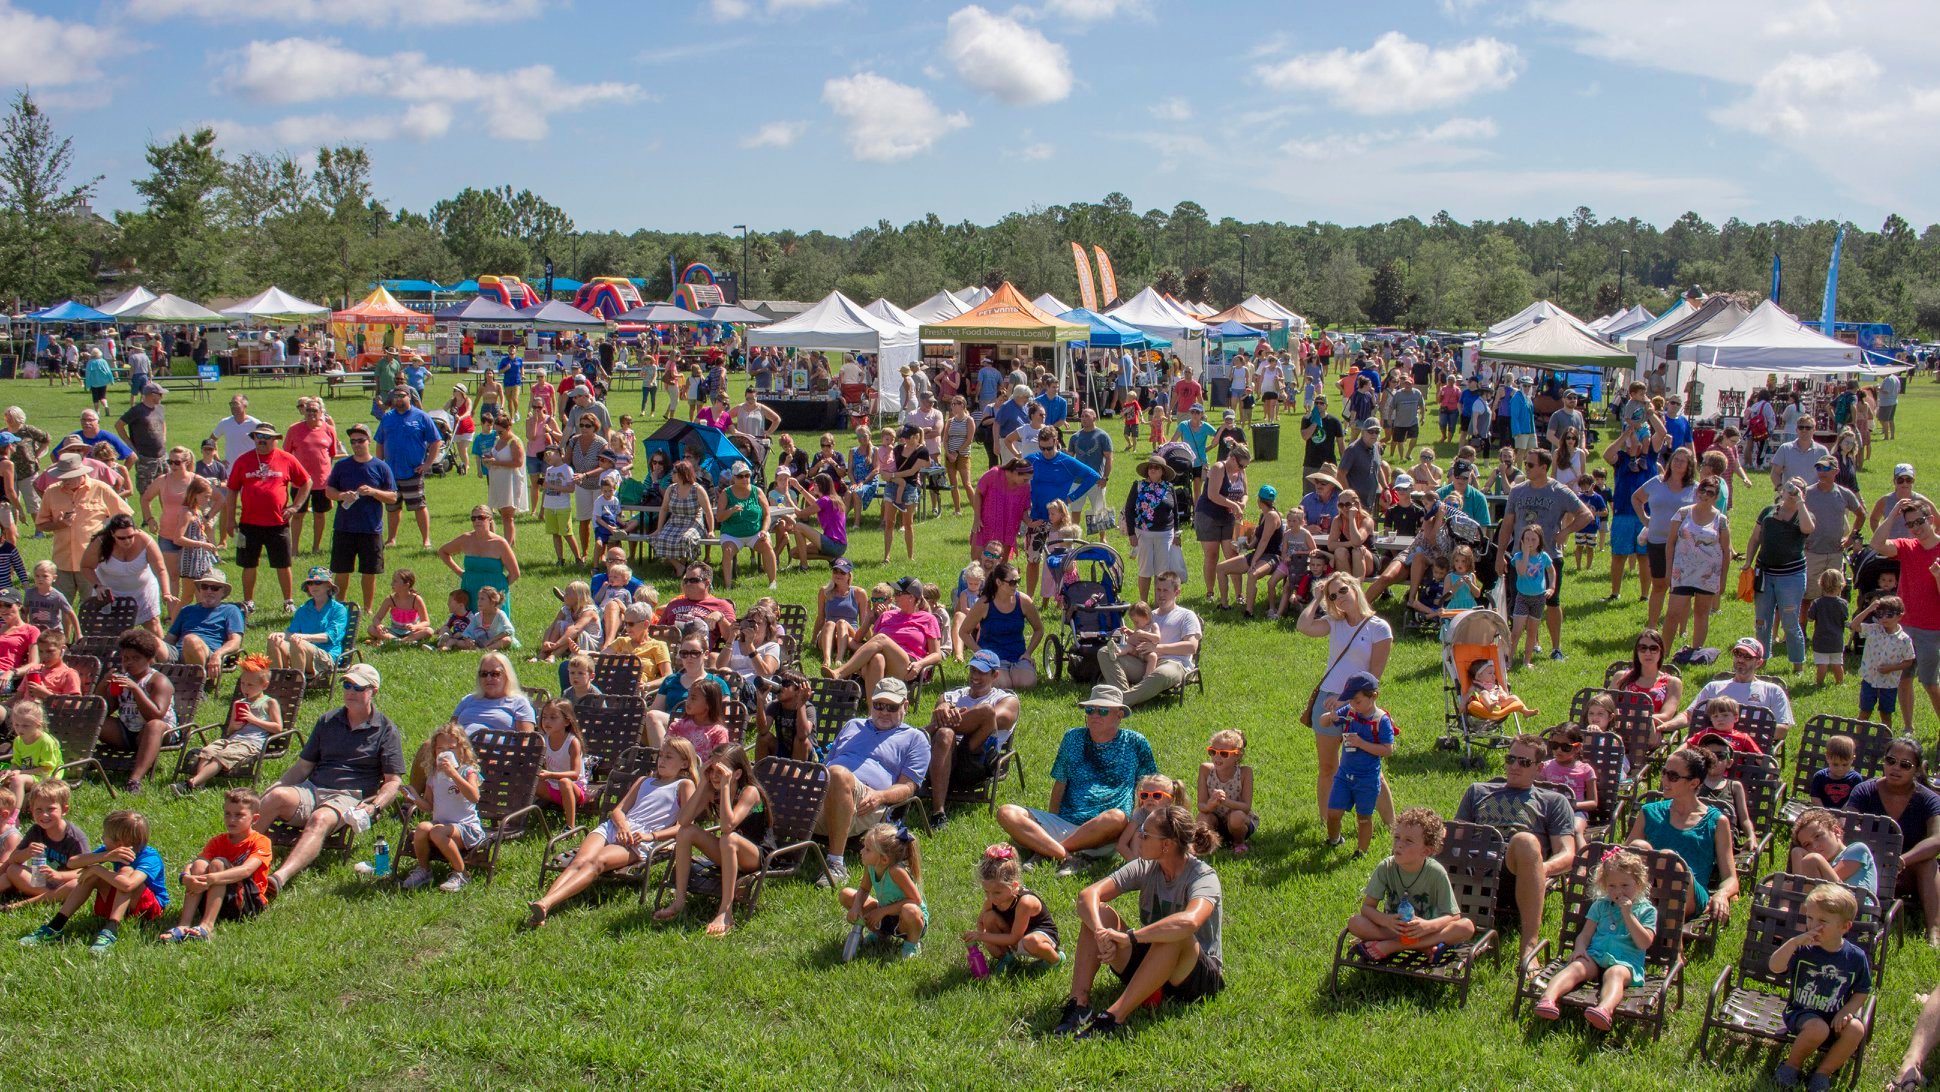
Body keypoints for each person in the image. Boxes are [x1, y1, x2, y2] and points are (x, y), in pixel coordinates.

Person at [1053, 805, 1224, 1040]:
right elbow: (1088, 895)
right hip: (1153, 962)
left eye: (1145, 834)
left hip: (1195, 976)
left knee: (1174, 931)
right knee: (1097, 914)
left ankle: (1114, 1017)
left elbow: (1190, 922)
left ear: (1167, 844)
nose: (1138, 837)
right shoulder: (1145, 865)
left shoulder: (1203, 876)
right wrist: (1101, 932)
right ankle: (1079, 1004)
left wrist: (1131, 937)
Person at [253, 663, 405, 895]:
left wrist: (374, 806)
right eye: (346, 685)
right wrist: (276, 787)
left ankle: (278, 878)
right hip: (313, 787)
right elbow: (304, 766)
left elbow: (393, 781)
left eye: (357, 687)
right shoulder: (328, 720)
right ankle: (240, 859)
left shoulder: (385, 730)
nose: (350, 691)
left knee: (320, 818)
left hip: (348, 796)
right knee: (275, 797)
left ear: (373, 691)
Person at [524, 739, 698, 929]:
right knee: (579, 861)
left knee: (596, 862)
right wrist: (622, 826)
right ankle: (545, 903)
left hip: (639, 839)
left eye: (669, 757)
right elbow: (618, 810)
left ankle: (547, 903)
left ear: (684, 763)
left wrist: (652, 836)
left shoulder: (684, 785)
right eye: (661, 756)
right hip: (615, 827)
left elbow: (684, 826)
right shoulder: (644, 780)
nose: (661, 761)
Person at [994, 683, 1154, 877]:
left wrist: (1137, 833)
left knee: (1117, 817)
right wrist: (1052, 819)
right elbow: (1060, 784)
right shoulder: (1072, 738)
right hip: (1065, 821)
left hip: (1104, 831)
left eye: (1103, 710)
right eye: (1090, 709)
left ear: (1119, 715)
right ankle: (1066, 856)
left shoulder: (1136, 742)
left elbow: (1147, 789)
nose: (1094, 714)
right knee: (1006, 812)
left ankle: (1046, 850)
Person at [1454, 733, 1579, 962]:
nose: (1514, 766)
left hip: (1514, 873)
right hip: (1471, 869)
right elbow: (1455, 836)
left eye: (1524, 762)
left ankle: (1529, 947)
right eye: (1510, 759)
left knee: (1524, 841)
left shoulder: (1553, 801)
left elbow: (1568, 854)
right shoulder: (1477, 791)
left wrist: (1539, 870)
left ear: (1539, 768)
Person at [1296, 572, 1394, 823]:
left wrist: (1347, 700)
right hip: (1327, 700)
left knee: (1369, 768)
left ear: (1354, 589)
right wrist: (1317, 598)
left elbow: (1374, 676)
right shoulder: (1334, 622)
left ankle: (1390, 824)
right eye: (1333, 596)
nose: (1339, 598)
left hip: (1359, 705)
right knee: (1328, 768)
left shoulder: (1379, 628)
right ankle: (1327, 822)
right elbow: (1304, 626)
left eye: (1342, 591)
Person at [814, 677, 930, 886]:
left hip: (865, 803)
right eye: (879, 705)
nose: (884, 712)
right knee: (776, 770)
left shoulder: (915, 738)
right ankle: (763, 850)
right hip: (822, 791)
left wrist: (880, 796)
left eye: (891, 707)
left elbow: (908, 787)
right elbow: (826, 765)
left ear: (905, 705)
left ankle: (836, 863)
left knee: (839, 775)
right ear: (871, 703)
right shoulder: (853, 725)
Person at [1529, 847, 1657, 1031]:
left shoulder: (1646, 911)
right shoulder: (1601, 906)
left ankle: (1604, 1010)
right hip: (1596, 955)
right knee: (1577, 966)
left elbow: (1644, 943)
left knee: (1615, 974)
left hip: (1626, 963)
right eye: (1612, 886)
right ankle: (1548, 999)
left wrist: (1628, 915)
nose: (1618, 891)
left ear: (1639, 883)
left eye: (1625, 885)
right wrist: (1580, 949)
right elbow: (1585, 934)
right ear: (1604, 886)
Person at [654, 742, 770, 937]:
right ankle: (679, 901)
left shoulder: (750, 792)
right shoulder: (711, 789)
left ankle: (726, 912)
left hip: (756, 856)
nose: (715, 776)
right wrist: (702, 782)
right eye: (712, 769)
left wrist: (725, 787)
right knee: (685, 832)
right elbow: (683, 821)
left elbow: (727, 826)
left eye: (720, 771)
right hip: (728, 850)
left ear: (738, 774)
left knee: (728, 838)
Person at [15, 808, 167, 955]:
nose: (102, 838)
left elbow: (129, 885)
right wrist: (104, 857)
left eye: (104, 835)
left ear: (119, 843)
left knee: (125, 873)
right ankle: (55, 926)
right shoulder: (111, 851)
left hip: (148, 910)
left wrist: (98, 869)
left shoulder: (150, 857)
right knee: (93, 875)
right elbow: (72, 863)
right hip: (122, 903)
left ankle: (110, 930)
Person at [1768, 883, 1871, 1090]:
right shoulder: (1803, 948)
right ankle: (1792, 1065)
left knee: (1856, 1029)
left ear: (1845, 927)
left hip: (1836, 1016)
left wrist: (1847, 1011)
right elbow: (1775, 967)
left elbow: (1862, 991)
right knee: (1818, 1029)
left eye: (1822, 921)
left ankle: (1823, 1072)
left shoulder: (1855, 957)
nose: (1813, 925)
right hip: (1801, 1013)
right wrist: (1793, 943)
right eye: (1809, 918)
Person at [1496, 448, 1592, 662]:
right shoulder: (1517, 491)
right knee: (1522, 600)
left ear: (1543, 467)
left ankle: (1556, 647)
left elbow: (1586, 514)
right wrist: (1500, 553)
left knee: (1552, 601)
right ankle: (1534, 643)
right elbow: (1507, 525)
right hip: (1520, 558)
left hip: (1548, 557)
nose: (1526, 468)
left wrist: (1565, 532)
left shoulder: (1558, 491)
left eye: (1530, 464)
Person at [1627, 746, 1739, 925]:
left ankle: (1670, 937)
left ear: (1694, 783)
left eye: (1673, 776)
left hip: (1690, 894)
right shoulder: (1649, 812)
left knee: (1669, 859)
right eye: (1664, 773)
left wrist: (1722, 894)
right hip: (1648, 888)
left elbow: (1730, 877)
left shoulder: (1717, 821)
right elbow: (1625, 859)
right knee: (1639, 846)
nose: (1664, 780)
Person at [1845, 737, 1940, 942]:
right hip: (1871, 865)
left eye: (1905, 765)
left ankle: (1935, 929)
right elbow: (1847, 824)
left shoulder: (1928, 799)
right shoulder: (1865, 790)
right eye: (1891, 761)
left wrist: (1903, 859)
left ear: (1916, 770)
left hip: (1909, 869)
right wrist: (1880, 856)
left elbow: (1937, 839)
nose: (1896, 768)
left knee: (1929, 864)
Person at [159, 788, 272, 943]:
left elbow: (246, 870)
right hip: (217, 900)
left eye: (239, 815)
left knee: (218, 863)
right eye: (227, 813)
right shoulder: (218, 841)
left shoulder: (260, 841)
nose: (231, 819)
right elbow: (194, 864)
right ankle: (183, 925)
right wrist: (186, 878)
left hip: (247, 904)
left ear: (255, 818)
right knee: (199, 865)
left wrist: (212, 878)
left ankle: (207, 926)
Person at [924, 649, 1021, 828]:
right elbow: (936, 738)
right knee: (945, 733)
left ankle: (923, 731)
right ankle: (938, 813)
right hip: (941, 761)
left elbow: (993, 718)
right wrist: (945, 709)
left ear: (995, 675)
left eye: (982, 672)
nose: (975, 676)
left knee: (986, 711)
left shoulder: (1007, 700)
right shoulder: (949, 697)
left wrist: (946, 718)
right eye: (973, 670)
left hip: (976, 762)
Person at [224, 424, 310, 617]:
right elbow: (232, 490)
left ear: (275, 439)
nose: (262, 440)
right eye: (258, 436)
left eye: (267, 437)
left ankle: (288, 601)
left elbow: (306, 482)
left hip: (278, 524)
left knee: (283, 563)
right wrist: (230, 519)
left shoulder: (286, 459)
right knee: (248, 564)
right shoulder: (243, 460)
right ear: (253, 438)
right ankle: (248, 602)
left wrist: (295, 507)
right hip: (248, 523)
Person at [174, 653, 281, 796]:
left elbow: (278, 728)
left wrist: (252, 719)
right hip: (232, 739)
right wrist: (234, 726)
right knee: (207, 751)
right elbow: (230, 730)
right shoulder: (239, 703)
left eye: (250, 685)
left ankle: (191, 783)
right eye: (243, 683)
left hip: (251, 743)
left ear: (264, 685)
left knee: (222, 756)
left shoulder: (269, 703)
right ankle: (200, 785)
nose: (245, 688)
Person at [1095, 570, 1200, 709]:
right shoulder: (1149, 615)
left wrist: (1156, 648)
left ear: (1177, 592)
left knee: (1162, 673)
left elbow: (1191, 647)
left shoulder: (1186, 616)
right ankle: (1128, 696)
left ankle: (1120, 700)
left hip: (1173, 663)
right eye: (1158, 590)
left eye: (1166, 590)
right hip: (1143, 662)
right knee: (1104, 652)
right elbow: (1135, 641)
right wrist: (1131, 636)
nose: (1161, 594)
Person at [36, 454, 132, 602]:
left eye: (68, 477)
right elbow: (40, 524)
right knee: (60, 610)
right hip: (62, 563)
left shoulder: (100, 488)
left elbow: (125, 519)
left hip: (93, 563)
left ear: (81, 474)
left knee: (94, 609)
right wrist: (59, 524)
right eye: (61, 477)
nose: (63, 481)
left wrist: (110, 539)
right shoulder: (51, 492)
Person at [1318, 672, 1394, 858]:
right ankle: (1334, 839)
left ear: (1373, 696)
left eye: (1357, 701)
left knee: (1364, 818)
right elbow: (1323, 722)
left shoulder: (1381, 721)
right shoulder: (1351, 711)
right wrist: (1330, 717)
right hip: (1345, 774)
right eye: (1351, 701)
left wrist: (1361, 744)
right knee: (1333, 812)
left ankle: (1361, 851)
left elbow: (1387, 750)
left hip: (1367, 778)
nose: (1353, 704)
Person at [1745, 477, 1816, 673]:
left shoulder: (1804, 514)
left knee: (1790, 621)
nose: (1792, 491)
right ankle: (1761, 660)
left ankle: (1797, 665)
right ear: (1782, 490)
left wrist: (1800, 501)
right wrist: (1748, 562)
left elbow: (1808, 529)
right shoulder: (1768, 511)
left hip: (1791, 575)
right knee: (1762, 621)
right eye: (1790, 487)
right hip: (1765, 573)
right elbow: (1755, 538)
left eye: (1799, 488)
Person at [827, 576, 940, 698]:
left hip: (908, 665)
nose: (895, 596)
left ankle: (840, 673)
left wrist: (920, 664)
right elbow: (871, 644)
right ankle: (873, 712)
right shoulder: (886, 615)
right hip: (881, 663)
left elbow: (937, 654)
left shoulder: (928, 619)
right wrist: (868, 619)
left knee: (882, 638)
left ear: (911, 597)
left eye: (898, 593)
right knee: (877, 658)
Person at [1662, 477, 1730, 656]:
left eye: (1710, 493)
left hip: (1708, 574)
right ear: (1697, 491)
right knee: (1672, 614)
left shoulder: (1721, 520)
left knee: (1701, 613)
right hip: (1682, 572)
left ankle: (1695, 653)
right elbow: (1670, 544)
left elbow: (1726, 551)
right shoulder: (1683, 513)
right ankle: (1663, 653)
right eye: (1703, 490)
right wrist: (1668, 571)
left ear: (1716, 497)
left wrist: (1722, 580)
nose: (1705, 495)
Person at [1632, 446, 1698, 630]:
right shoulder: (1657, 482)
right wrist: (1645, 519)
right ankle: (1652, 626)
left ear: (1689, 465)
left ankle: (1682, 629)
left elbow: (1703, 512)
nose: (1677, 463)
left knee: (1681, 587)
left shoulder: (1695, 488)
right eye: (1675, 459)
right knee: (1659, 584)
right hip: (1657, 541)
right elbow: (1636, 498)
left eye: (1682, 461)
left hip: (1683, 544)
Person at [373, 386, 442, 550]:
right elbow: (380, 442)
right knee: (392, 507)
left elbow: (436, 441)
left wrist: (427, 464)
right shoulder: (387, 417)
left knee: (419, 505)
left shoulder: (421, 417)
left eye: (401, 396)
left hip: (413, 471)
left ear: (409, 397)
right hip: (390, 472)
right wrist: (379, 464)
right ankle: (391, 539)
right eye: (395, 396)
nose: (398, 399)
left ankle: (426, 540)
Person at [957, 563, 1043, 691]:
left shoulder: (1023, 601)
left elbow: (1039, 629)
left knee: (1026, 683)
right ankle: (981, 670)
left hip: (1018, 656)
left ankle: (1019, 669)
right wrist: (979, 652)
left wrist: (1028, 653)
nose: (1017, 585)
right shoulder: (984, 603)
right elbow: (963, 631)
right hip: (992, 658)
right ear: (999, 582)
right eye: (1012, 582)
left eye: (1018, 581)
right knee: (1003, 685)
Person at [83, 513, 168, 638]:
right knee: (107, 631)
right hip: (110, 593)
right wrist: (98, 586)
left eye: (131, 536)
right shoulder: (100, 542)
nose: (127, 541)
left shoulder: (146, 541)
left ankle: (163, 656)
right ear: (112, 534)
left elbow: (161, 570)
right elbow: (86, 567)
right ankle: (113, 656)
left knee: (153, 625)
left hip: (142, 592)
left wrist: (166, 593)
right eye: (121, 538)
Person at [280, 399, 340, 556]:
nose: (312, 413)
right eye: (308, 410)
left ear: (321, 413)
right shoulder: (294, 429)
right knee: (298, 514)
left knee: (320, 514)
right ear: (303, 412)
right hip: (300, 482)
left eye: (315, 411)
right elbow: (286, 454)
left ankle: (316, 547)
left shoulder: (329, 430)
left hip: (322, 482)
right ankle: (293, 549)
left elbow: (332, 454)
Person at [1121, 454, 1183, 602]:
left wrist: (1177, 533)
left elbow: (1175, 512)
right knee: (1145, 569)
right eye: (1150, 467)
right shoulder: (1138, 486)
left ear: (1163, 471)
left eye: (1156, 467)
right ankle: (1143, 602)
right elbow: (1129, 510)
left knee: (1162, 572)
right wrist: (1131, 534)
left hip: (1166, 534)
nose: (1153, 470)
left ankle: (1159, 602)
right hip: (1143, 533)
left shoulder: (1169, 487)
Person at [436, 505, 520, 614]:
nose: (477, 521)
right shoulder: (466, 539)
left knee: (495, 628)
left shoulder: (500, 543)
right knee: (471, 627)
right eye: (473, 518)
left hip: (493, 594)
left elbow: (515, 573)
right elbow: (443, 551)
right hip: (470, 590)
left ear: (490, 519)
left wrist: (499, 586)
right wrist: (460, 573)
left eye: (481, 517)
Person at [1851, 596, 1916, 732]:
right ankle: (1858, 741)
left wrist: (1891, 668)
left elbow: (1909, 661)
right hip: (1869, 680)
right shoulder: (1873, 629)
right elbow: (1854, 625)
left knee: (1886, 715)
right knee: (1864, 712)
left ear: (1900, 616)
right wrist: (1869, 609)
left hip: (1889, 684)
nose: (1884, 618)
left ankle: (1885, 742)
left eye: (1889, 614)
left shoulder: (1904, 640)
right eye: (1880, 614)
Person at [715, 463, 777, 590]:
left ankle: (773, 583)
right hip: (732, 534)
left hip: (755, 532)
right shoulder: (726, 493)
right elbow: (719, 517)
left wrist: (764, 531)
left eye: (747, 475)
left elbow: (767, 515)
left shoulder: (757, 491)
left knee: (767, 546)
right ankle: (727, 586)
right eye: (740, 476)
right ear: (733, 478)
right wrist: (731, 510)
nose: (744, 479)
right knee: (727, 551)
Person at [654, 560, 736, 647]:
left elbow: (734, 638)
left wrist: (721, 618)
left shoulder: (721, 605)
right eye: (686, 580)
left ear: (707, 583)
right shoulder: (674, 604)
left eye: (693, 580)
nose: (688, 584)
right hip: (670, 652)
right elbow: (656, 633)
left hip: (698, 655)